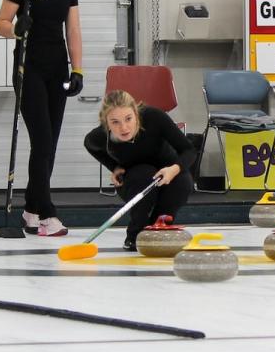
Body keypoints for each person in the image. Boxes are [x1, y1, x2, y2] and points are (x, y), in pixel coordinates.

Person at [0, 0, 84, 237]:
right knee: (42, 141)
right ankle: (47, 213)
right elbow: (1, 24)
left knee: (50, 145)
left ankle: (31, 209)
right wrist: (18, 28)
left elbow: (73, 30)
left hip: (57, 68)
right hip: (28, 68)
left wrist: (78, 69)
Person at [84, 90, 196, 251]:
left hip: (167, 171)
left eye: (128, 119)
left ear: (136, 113)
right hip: (135, 180)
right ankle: (135, 234)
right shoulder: (100, 136)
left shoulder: (154, 117)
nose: (124, 127)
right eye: (115, 122)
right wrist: (114, 167)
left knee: (183, 183)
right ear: (106, 123)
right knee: (144, 176)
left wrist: (174, 169)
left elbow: (189, 150)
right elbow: (89, 145)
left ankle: (158, 229)